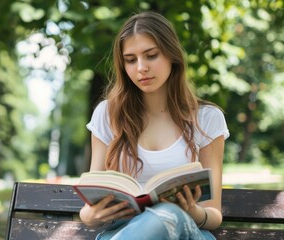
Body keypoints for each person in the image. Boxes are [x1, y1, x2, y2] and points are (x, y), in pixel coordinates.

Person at [79, 11, 230, 240]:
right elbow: (92, 193)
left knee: (167, 212)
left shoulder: (207, 118)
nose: (141, 68)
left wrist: (192, 211)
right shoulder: (108, 115)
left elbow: (214, 214)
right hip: (122, 230)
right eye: (131, 60)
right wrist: (89, 215)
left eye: (151, 56)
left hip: (187, 232)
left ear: (172, 55)